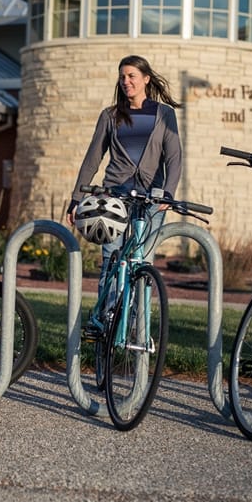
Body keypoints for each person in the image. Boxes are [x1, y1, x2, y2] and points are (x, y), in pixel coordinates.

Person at [66, 55, 182, 332]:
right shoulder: (110, 116)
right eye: (122, 77)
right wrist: (76, 198)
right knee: (112, 257)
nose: (126, 81)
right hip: (113, 196)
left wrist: (168, 193)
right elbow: (92, 158)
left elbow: (174, 157)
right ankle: (104, 318)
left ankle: (137, 327)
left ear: (146, 79)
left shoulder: (164, 114)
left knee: (144, 261)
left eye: (132, 76)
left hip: (151, 199)